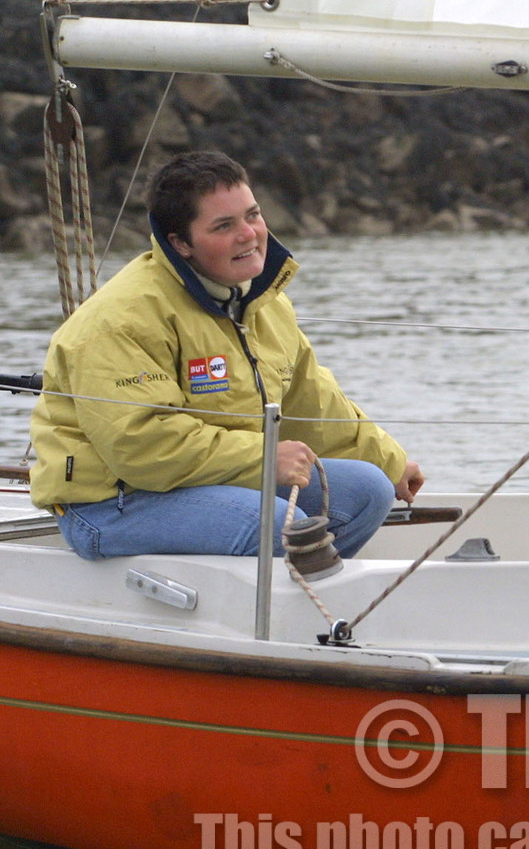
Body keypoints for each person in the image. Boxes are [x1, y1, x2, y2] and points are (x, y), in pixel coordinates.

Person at [30, 151, 424, 561]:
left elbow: (312, 404)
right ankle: (274, 590)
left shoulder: (262, 303)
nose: (249, 234)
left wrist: (390, 462)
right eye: (224, 226)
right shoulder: (119, 321)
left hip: (214, 478)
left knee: (369, 489)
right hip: (110, 502)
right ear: (180, 244)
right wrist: (265, 458)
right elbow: (142, 445)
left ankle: (297, 590)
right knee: (275, 523)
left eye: (253, 215)